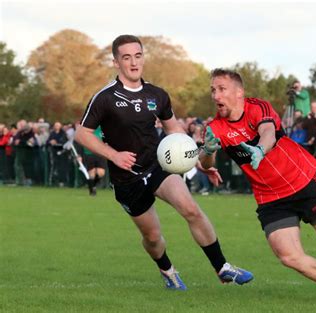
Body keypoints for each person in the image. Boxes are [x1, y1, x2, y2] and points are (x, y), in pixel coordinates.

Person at [74, 35, 253, 290]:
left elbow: (175, 131)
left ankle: (222, 267)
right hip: (127, 180)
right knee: (153, 237)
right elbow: (82, 133)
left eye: (138, 55)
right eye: (126, 57)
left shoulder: (156, 94)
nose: (134, 62)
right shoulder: (105, 97)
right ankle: (167, 270)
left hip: (157, 166)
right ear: (116, 62)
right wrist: (113, 155)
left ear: (143, 58)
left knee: (191, 208)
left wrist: (198, 162)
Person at [200, 69, 316, 308]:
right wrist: (209, 152)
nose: (216, 95)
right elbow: (204, 161)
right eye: (213, 90)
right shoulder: (215, 127)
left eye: (221, 89)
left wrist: (260, 150)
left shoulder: (257, 108)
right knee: (289, 256)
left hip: (302, 181)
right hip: (270, 198)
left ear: (239, 92)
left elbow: (267, 132)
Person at [81, 126, 107, 196]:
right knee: (91, 173)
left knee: (101, 173)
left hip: (100, 153)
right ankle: (92, 190)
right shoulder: (86, 128)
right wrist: (79, 155)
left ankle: (92, 185)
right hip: (89, 153)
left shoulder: (102, 128)